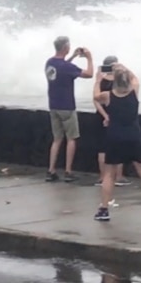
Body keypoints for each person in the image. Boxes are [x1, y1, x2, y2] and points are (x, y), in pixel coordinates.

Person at [92, 63, 141, 222]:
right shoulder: (134, 92)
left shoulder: (108, 96)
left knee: (110, 174)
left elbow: (95, 96)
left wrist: (98, 80)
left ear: (114, 81)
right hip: (134, 136)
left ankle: (104, 210)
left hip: (115, 137)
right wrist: (123, 68)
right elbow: (135, 78)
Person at [44, 35, 93, 183]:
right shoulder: (67, 67)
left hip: (53, 105)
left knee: (57, 139)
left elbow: (62, 68)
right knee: (71, 138)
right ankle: (68, 171)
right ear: (65, 47)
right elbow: (89, 74)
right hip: (67, 106)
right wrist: (89, 58)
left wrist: (73, 56)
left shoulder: (50, 63)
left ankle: (51, 170)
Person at [93, 55, 128, 189]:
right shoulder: (119, 80)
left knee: (102, 148)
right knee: (118, 146)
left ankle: (102, 177)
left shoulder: (100, 81)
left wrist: (104, 115)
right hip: (116, 116)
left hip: (101, 117)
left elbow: (96, 100)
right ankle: (118, 177)